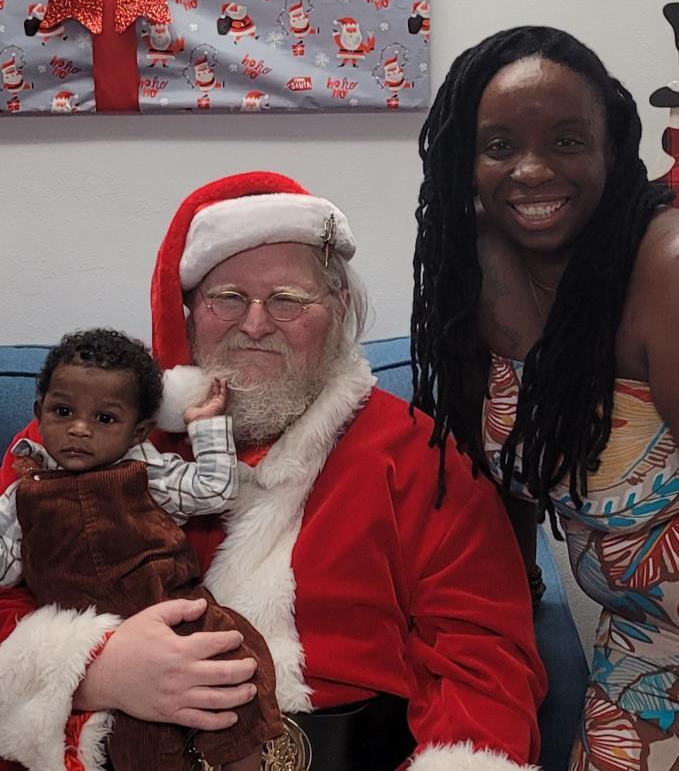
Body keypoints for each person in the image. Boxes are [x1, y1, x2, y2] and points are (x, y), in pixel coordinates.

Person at [0, 171, 546, 771]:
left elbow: (483, 657)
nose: (255, 324)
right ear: (188, 313)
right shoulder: (77, 440)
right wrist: (92, 668)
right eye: (227, 297)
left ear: (338, 310)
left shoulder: (422, 457)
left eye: (288, 300)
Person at [411, 26, 679, 771]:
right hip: (639, 661)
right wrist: (499, 619)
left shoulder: (665, 268)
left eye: (565, 141)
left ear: (612, 148)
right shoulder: (470, 260)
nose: (530, 171)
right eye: (498, 145)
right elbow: (495, 491)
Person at [0, 328, 282, 771]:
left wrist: (205, 424)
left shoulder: (146, 470)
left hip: (174, 611)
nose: (79, 428)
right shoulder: (22, 493)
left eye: (105, 419)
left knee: (236, 686)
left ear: (139, 430)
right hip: (96, 638)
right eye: (63, 411)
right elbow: (7, 569)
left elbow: (213, 490)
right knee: (135, 739)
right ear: (40, 412)